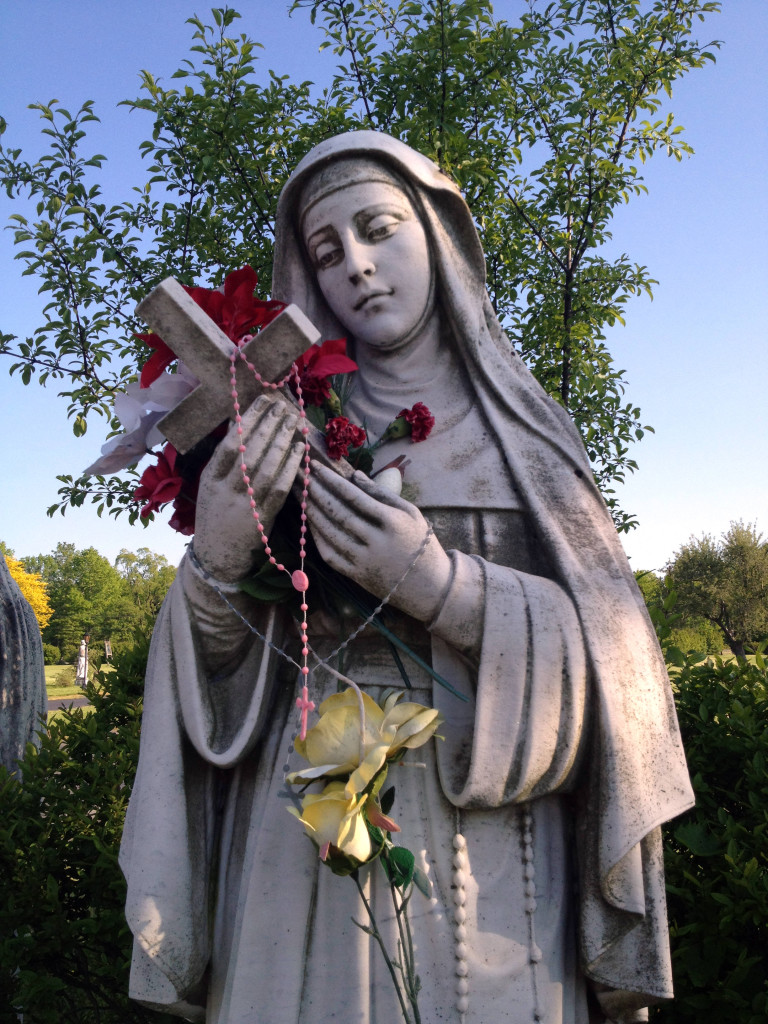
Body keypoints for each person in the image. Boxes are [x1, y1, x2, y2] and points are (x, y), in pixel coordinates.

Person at [120, 132, 694, 1023]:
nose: (356, 264)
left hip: (498, 854)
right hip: (302, 840)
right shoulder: (284, 426)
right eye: (325, 250)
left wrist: (439, 586)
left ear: (437, 235)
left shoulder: (527, 441)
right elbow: (223, 684)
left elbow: (620, 675)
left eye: (379, 228)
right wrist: (223, 556)